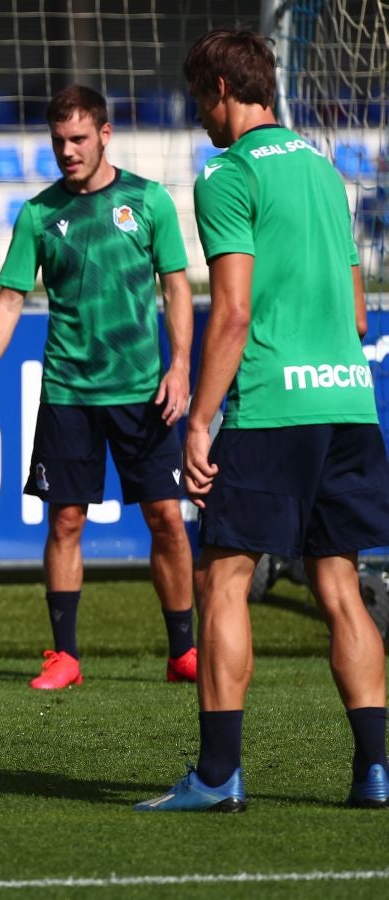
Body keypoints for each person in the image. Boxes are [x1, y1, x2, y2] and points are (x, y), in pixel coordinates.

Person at [136, 30, 389, 813]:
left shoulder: (229, 174)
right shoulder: (325, 171)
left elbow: (234, 312)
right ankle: (375, 771)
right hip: (347, 400)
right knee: (342, 585)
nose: (200, 118)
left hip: (273, 405)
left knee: (222, 579)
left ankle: (217, 776)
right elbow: (353, 313)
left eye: (198, 100)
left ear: (220, 88)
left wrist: (202, 422)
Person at [0, 85, 198, 691]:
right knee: (65, 521)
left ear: (105, 134)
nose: (68, 151)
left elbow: (176, 288)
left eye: (79, 139)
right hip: (68, 392)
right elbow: (10, 299)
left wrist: (181, 367)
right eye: (58, 141)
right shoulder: (39, 214)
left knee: (167, 518)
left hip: (145, 391)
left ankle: (183, 652)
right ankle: (64, 656)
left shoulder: (149, 202)